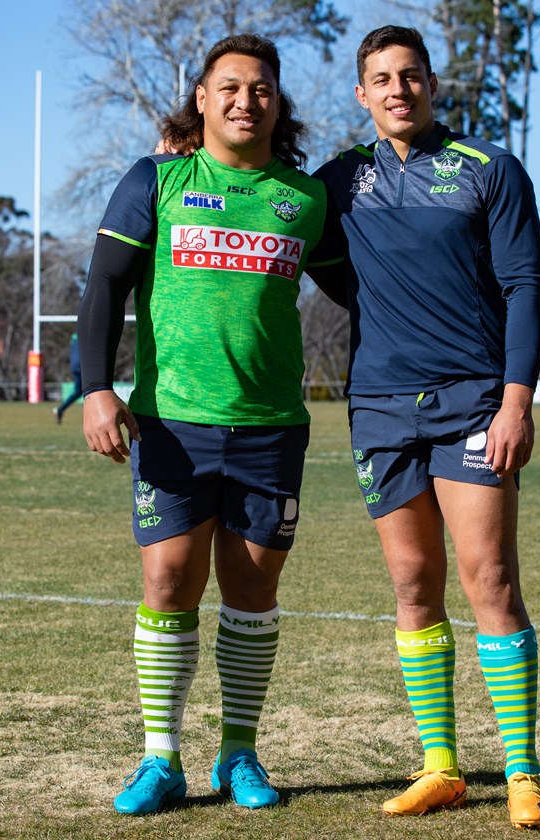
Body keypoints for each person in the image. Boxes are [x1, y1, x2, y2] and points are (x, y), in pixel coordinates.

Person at [77, 33, 332, 816]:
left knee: (252, 590)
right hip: (173, 424)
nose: (244, 101)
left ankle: (238, 753)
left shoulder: (306, 198)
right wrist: (96, 389)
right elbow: (104, 284)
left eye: (260, 89)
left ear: (278, 103)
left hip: (270, 426)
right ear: (202, 98)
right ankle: (161, 760)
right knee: (167, 583)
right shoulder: (156, 179)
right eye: (229, 87)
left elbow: (370, 286)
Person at [306, 25, 540, 829]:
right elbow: (286, 227)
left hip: (473, 401)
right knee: (413, 583)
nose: (397, 89)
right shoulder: (338, 180)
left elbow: (526, 287)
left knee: (491, 580)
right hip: (379, 407)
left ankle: (521, 772)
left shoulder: (489, 168)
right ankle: (440, 768)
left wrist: (515, 402)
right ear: (361, 94)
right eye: (381, 78)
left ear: (433, 84)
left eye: (410, 75)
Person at [53, 332, 82, 424]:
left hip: (74, 367)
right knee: (92, 389)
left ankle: (61, 409)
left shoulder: (74, 339)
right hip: (82, 366)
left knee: (79, 391)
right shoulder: (86, 334)